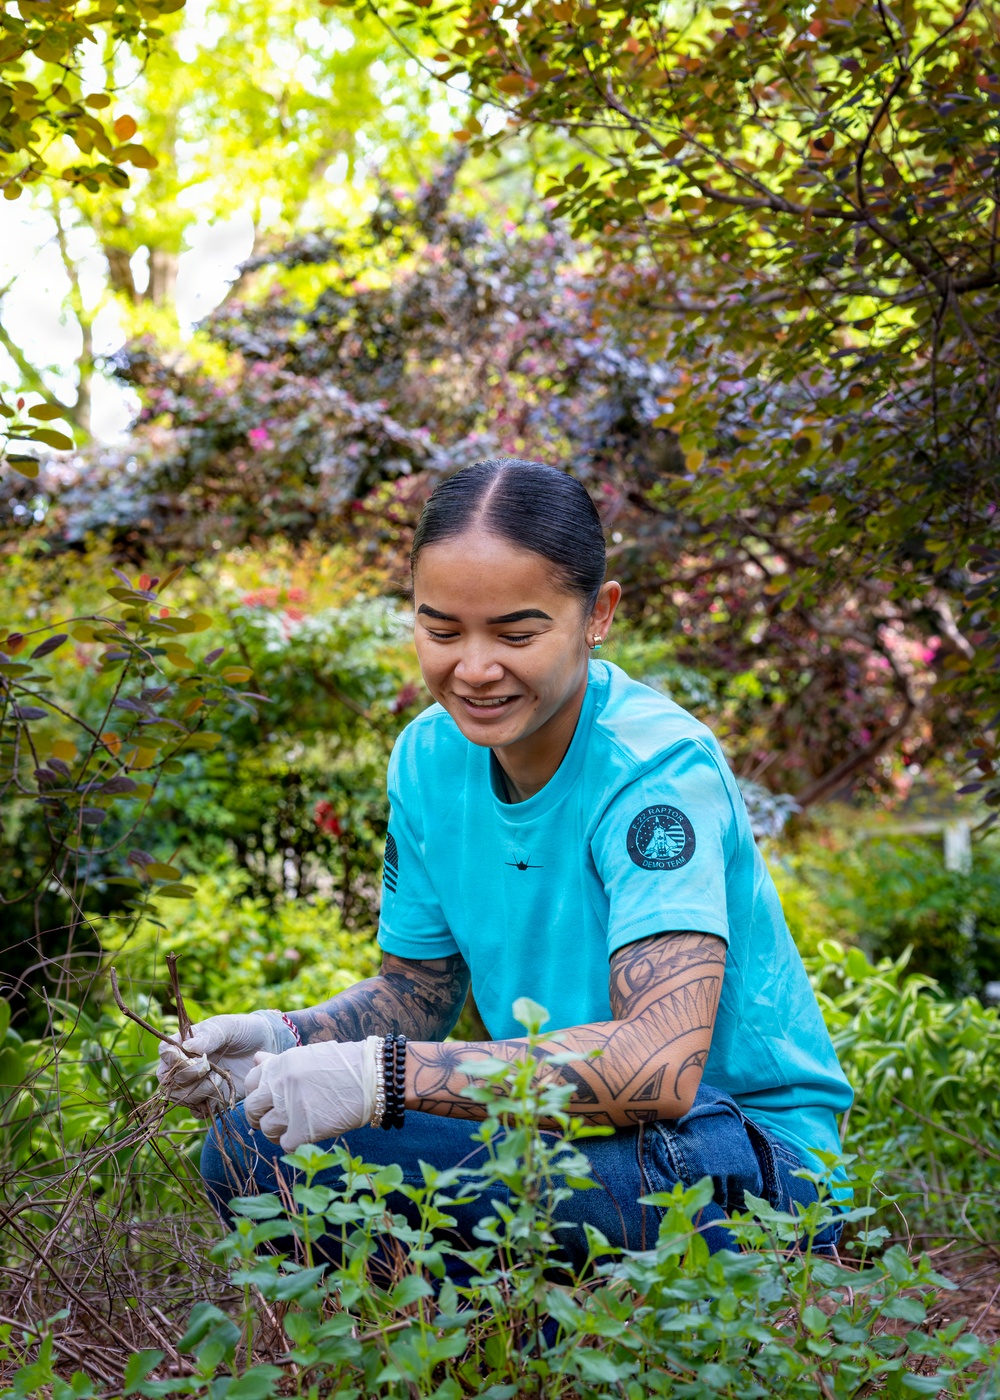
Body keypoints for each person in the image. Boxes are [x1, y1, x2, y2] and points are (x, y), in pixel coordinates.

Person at [158, 457, 852, 1262]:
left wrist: (380, 1078)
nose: (475, 668)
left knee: (319, 1153)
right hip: (573, 1129)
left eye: (517, 633)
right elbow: (418, 991)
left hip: (750, 1157)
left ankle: (613, 1327)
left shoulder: (655, 769)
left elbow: (657, 1068)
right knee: (251, 1147)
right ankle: (528, 1343)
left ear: (598, 615)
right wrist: (285, 1042)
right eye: (441, 630)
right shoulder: (427, 758)